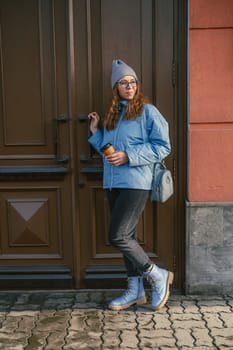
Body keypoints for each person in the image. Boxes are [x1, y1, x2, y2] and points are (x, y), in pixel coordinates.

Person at [88, 59, 173, 311]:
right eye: (123, 82)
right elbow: (109, 152)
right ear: (115, 87)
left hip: (137, 182)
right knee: (130, 236)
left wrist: (129, 156)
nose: (129, 86)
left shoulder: (148, 111)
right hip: (113, 183)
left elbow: (163, 147)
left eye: (133, 82)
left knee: (118, 236)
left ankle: (157, 275)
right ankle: (135, 291)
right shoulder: (113, 115)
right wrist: (96, 133)